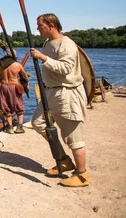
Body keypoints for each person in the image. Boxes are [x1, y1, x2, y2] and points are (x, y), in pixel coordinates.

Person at [30, 13, 89, 187]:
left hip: (67, 93)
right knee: (38, 122)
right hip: (50, 92)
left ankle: (82, 174)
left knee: (73, 135)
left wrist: (43, 58)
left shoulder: (67, 44)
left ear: (51, 25)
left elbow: (66, 68)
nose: (38, 29)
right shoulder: (48, 43)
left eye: (40, 25)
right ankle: (63, 160)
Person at [0, 50, 29, 134]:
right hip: (14, 86)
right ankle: (19, 127)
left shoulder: (0, 64)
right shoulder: (18, 65)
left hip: (4, 86)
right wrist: (25, 84)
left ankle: (10, 127)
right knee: (19, 106)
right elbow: (25, 76)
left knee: (6, 106)